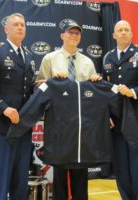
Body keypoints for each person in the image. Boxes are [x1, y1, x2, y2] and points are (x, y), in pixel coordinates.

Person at [36, 21, 101, 200]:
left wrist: (96, 80)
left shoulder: (88, 62)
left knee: (81, 167)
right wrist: (48, 81)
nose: (74, 36)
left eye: (77, 33)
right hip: (58, 123)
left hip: (82, 124)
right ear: (62, 36)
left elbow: (92, 95)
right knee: (60, 168)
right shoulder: (49, 59)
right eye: (70, 32)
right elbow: (40, 87)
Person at [0, 13, 36, 200]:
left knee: (20, 180)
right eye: (16, 25)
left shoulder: (29, 56)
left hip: (23, 129)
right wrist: (5, 109)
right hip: (1, 127)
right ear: (6, 29)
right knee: (1, 179)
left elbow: (28, 89)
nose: (20, 28)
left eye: (22, 25)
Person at [103, 20, 138, 200]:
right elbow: (107, 89)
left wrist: (133, 92)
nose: (123, 32)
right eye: (120, 30)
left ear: (131, 33)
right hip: (118, 121)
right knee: (121, 167)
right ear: (114, 35)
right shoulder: (107, 58)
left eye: (127, 29)